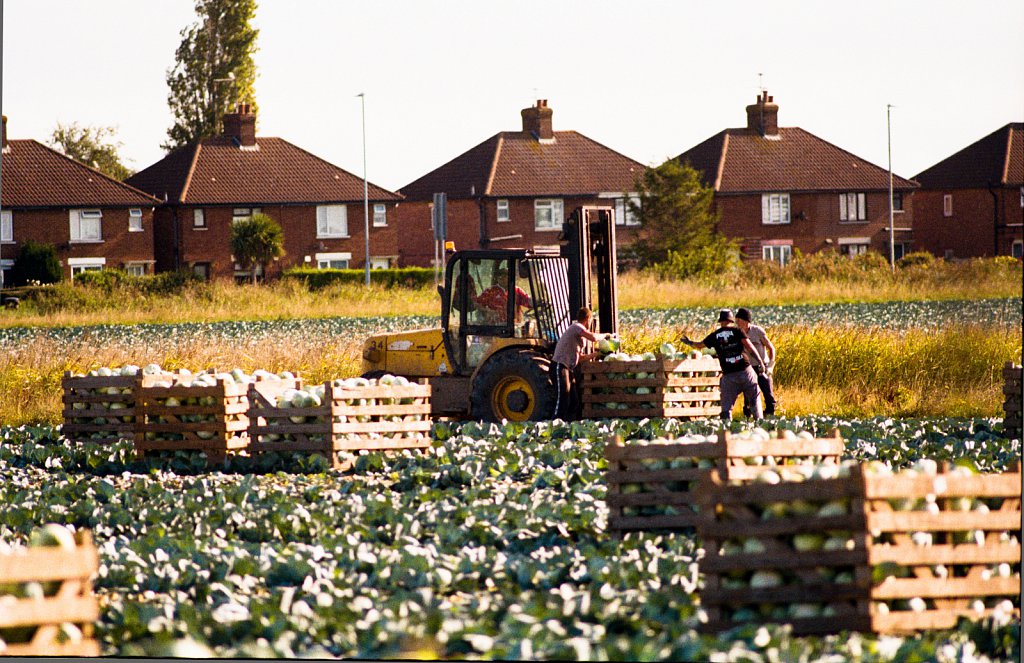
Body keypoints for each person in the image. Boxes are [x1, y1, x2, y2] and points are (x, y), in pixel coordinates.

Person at [681, 308, 766, 422]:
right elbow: (750, 347)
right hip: (745, 371)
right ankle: (759, 421)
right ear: (731, 321)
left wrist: (690, 342)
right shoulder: (738, 331)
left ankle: (727, 427)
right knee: (754, 397)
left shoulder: (715, 335)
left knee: (726, 405)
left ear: (720, 321)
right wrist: (760, 361)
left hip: (729, 375)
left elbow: (700, 345)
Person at [551, 307, 602, 420]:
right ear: (588, 318)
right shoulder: (576, 327)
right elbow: (593, 338)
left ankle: (569, 424)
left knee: (574, 400)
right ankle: (555, 424)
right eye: (590, 320)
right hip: (559, 366)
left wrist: (596, 355)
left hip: (568, 368)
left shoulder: (577, 335)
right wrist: (606, 335)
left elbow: (579, 358)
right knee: (563, 397)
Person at [735, 307, 778, 417]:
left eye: (739, 321)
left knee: (768, 394)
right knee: (748, 397)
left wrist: (770, 366)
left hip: (762, 367)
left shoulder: (757, 331)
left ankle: (770, 417)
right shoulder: (736, 333)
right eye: (736, 320)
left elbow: (771, 348)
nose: (737, 323)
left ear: (746, 321)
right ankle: (749, 419)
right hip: (748, 368)